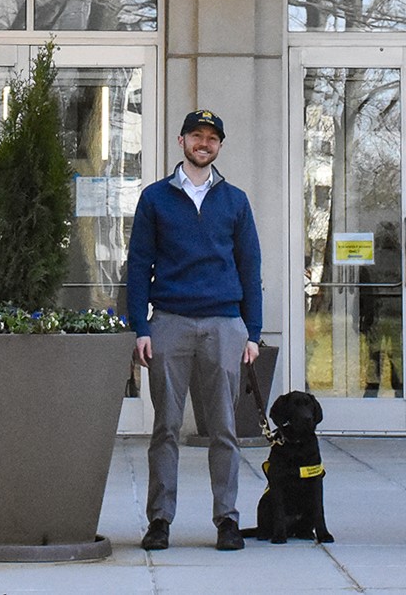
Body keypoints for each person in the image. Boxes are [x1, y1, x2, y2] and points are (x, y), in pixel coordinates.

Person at [127, 109, 264, 553]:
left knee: (224, 428)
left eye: (212, 138)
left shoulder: (236, 201)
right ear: (182, 141)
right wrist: (140, 327)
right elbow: (137, 266)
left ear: (219, 146)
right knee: (165, 427)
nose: (204, 144)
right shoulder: (155, 198)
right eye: (197, 136)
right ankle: (160, 520)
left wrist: (253, 333)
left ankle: (226, 518)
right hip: (169, 322)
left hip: (225, 325)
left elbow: (250, 268)